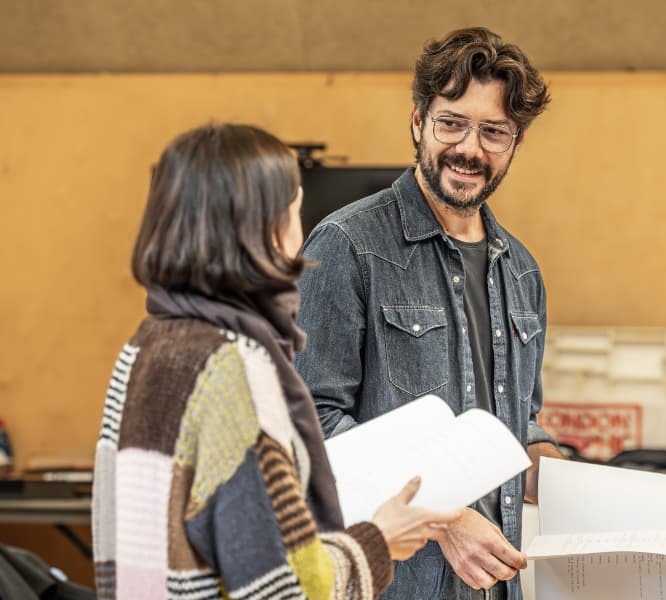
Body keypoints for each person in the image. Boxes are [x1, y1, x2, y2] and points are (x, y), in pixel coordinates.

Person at [91, 123, 458, 600]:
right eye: (295, 210)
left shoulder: (145, 346)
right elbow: (278, 589)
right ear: (269, 230)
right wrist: (378, 541)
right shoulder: (232, 367)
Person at [295, 27, 563, 600]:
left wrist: (561, 471)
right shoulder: (345, 246)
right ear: (418, 122)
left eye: (494, 132)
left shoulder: (522, 271)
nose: (470, 148)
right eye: (452, 123)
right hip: (391, 585)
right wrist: (445, 518)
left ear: (515, 143)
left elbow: (515, 420)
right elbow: (313, 425)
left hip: (496, 586)